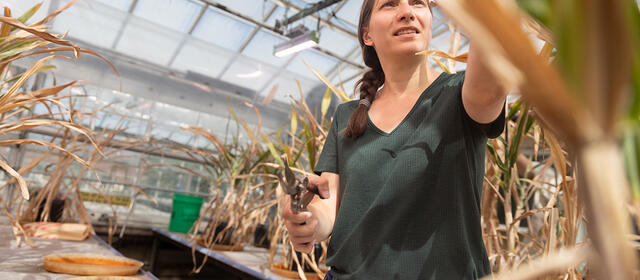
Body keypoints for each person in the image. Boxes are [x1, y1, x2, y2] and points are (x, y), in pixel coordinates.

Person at [281, 0, 506, 279]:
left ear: (431, 19)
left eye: (418, 3)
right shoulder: (347, 116)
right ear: (367, 35)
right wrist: (307, 220)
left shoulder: (460, 94)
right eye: (389, 4)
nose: (407, 12)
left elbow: (491, 78)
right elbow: (329, 204)